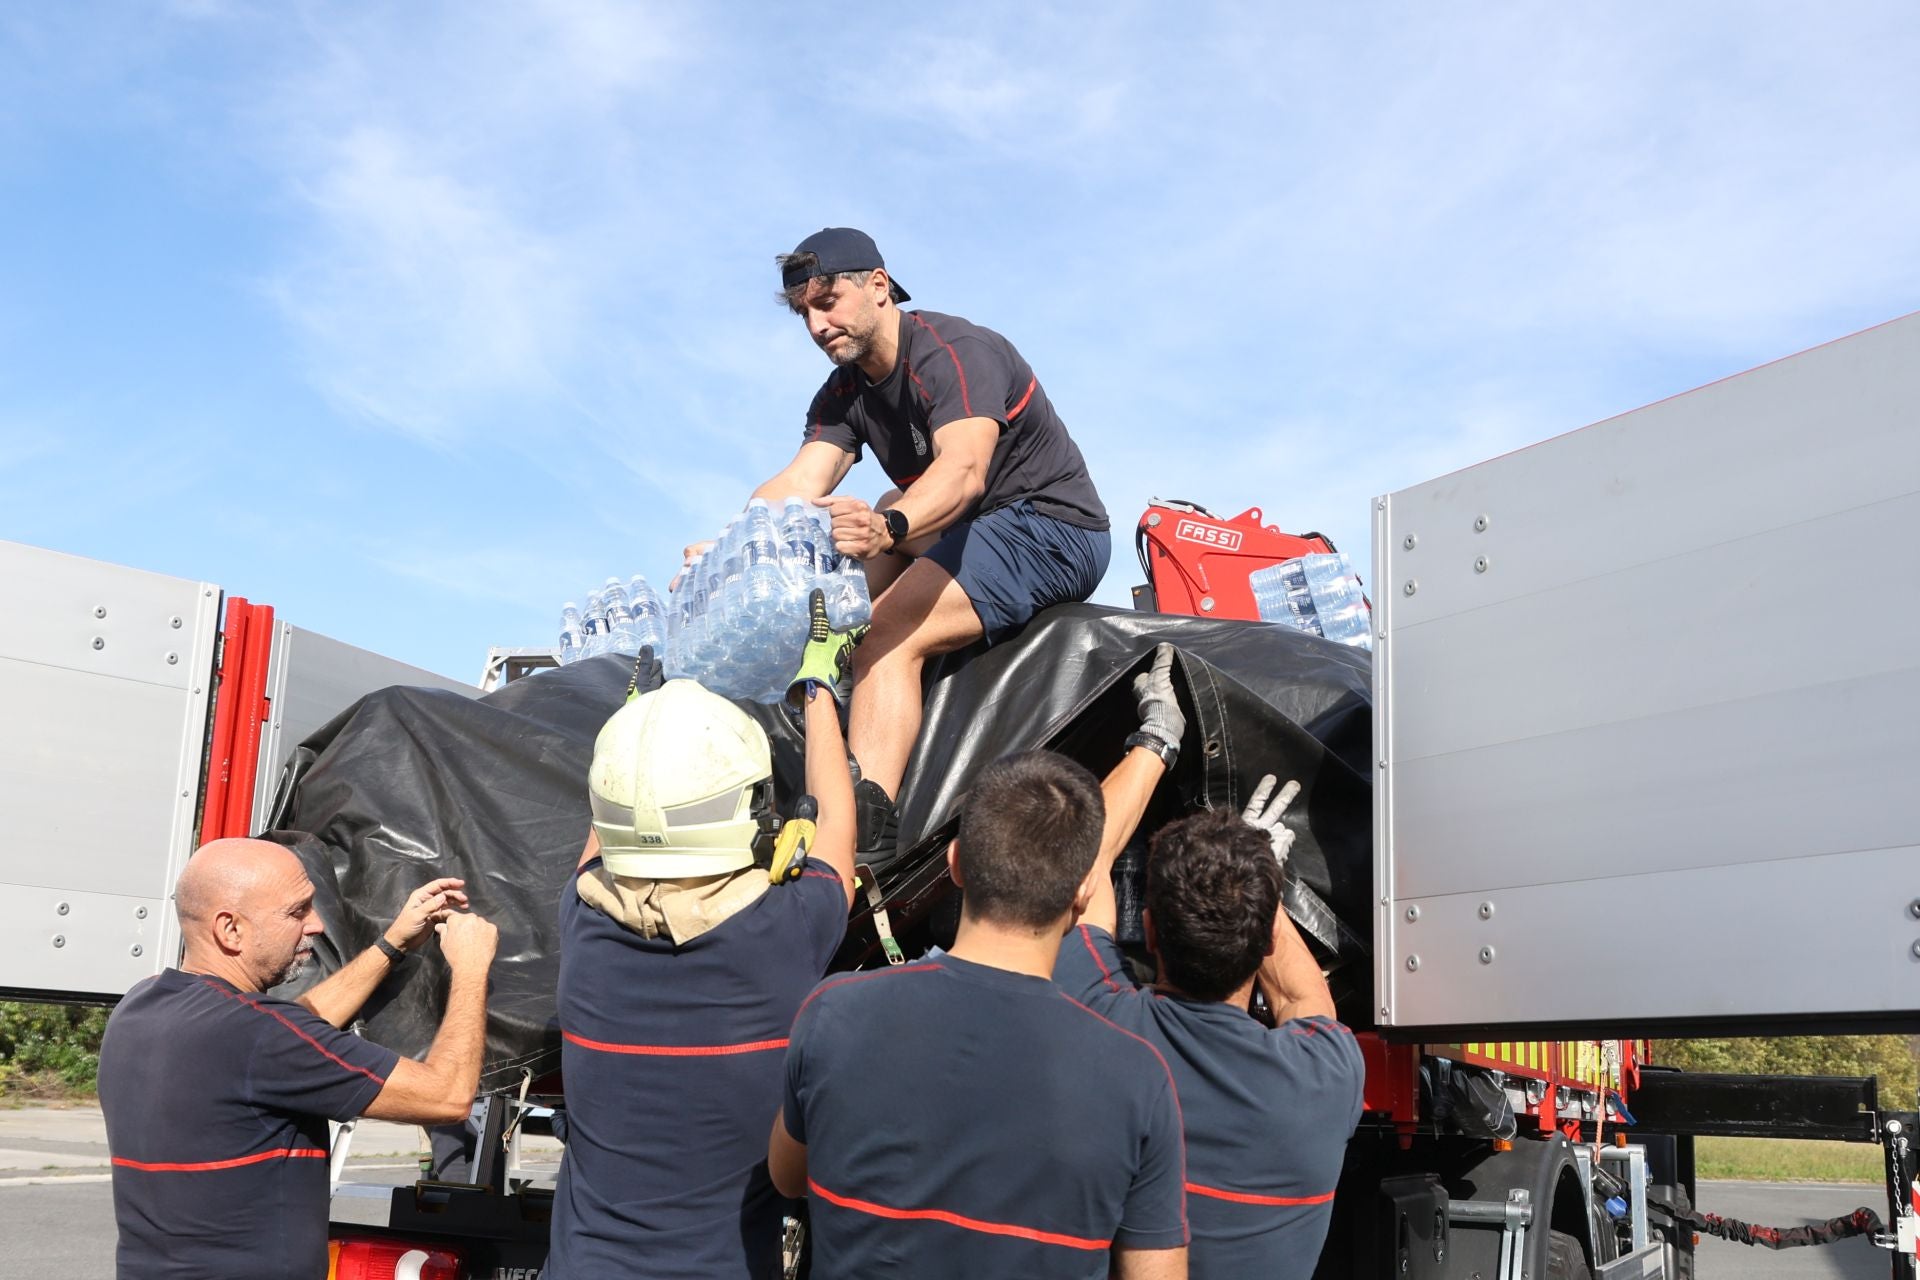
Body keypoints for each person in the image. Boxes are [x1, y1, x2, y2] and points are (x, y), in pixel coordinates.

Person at [686, 226, 1111, 859]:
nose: (815, 324)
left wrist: (891, 530)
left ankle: (862, 833)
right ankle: (832, 688)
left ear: (878, 287)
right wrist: (727, 551)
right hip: (967, 530)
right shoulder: (844, 393)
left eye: (826, 301)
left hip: (1049, 528)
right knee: (862, 532)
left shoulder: (954, 351)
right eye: (804, 311)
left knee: (885, 625)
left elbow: (963, 470)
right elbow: (801, 482)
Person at [770, 750, 1189, 1280]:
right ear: (1084, 891)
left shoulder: (832, 1013)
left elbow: (787, 1177)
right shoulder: (1139, 1080)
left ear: (956, 863)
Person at [547, 614, 861, 1279]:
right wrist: (819, 688)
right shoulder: (784, 929)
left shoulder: (584, 923)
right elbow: (833, 818)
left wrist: (637, 730)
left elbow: (603, 839)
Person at [1055, 643, 1366, 1279]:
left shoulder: (1099, 1023)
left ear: (1146, 928)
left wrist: (1156, 742)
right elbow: (1306, 1000)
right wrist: (1258, 877)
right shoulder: (1324, 1079)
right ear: (1267, 944)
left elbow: (1076, 878)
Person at [98, 838, 498, 1280]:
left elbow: (299, 1026)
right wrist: (471, 967)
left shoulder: (141, 1007)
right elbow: (447, 1097)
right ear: (230, 929)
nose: (318, 924)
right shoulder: (258, 1035)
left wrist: (392, 944)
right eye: (297, 911)